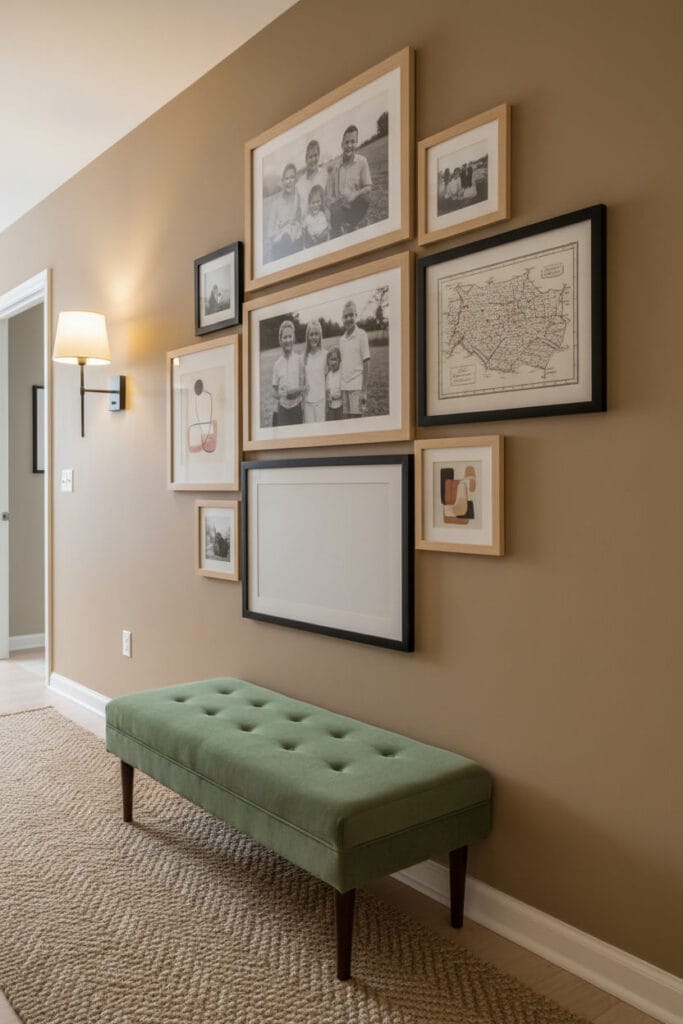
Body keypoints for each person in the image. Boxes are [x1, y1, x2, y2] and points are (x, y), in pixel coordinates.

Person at [327, 124, 372, 237]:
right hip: (340, 207)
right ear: (342, 144)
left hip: (354, 206)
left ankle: (352, 224)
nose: (349, 145)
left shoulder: (362, 161)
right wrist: (335, 204)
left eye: (353, 142)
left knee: (366, 199)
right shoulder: (335, 167)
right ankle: (340, 228)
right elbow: (329, 195)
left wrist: (354, 195)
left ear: (356, 143)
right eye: (346, 142)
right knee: (335, 215)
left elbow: (368, 187)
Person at [339, 300, 370, 418]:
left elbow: (366, 362)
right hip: (344, 388)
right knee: (347, 424)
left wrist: (364, 391)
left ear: (356, 315)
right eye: (345, 316)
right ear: (342, 319)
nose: (348, 319)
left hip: (357, 388)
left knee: (357, 424)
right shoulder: (341, 340)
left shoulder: (362, 335)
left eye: (351, 315)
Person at [265, 163, 302, 262]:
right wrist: (284, 227)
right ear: (282, 182)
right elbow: (270, 234)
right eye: (286, 179)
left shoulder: (298, 198)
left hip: (296, 241)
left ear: (296, 179)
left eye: (292, 178)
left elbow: (300, 220)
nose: (289, 181)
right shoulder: (276, 205)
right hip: (280, 245)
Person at [271, 319, 304, 426]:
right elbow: (275, 393)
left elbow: (304, 386)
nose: (287, 340)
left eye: (290, 336)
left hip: (297, 408)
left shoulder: (299, 359)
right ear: (280, 340)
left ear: (293, 338)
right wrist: (282, 394)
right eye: (284, 337)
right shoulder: (277, 364)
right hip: (283, 410)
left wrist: (296, 392)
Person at [302, 319, 327, 423]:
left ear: (320, 336)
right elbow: (302, 381)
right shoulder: (303, 357)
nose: (314, 337)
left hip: (321, 401)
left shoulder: (325, 355)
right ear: (307, 337)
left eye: (317, 334)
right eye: (311, 334)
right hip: (308, 403)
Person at [296, 139, 327, 214]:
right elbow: (298, 209)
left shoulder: (325, 175)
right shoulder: (299, 184)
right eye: (310, 157)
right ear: (306, 159)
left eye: (315, 155)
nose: (313, 159)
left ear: (319, 156)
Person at [325, 346, 343, 421]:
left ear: (339, 360)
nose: (333, 362)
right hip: (330, 407)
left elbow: (343, 390)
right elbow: (327, 388)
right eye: (331, 360)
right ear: (328, 361)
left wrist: (335, 397)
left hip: (340, 406)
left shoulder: (341, 374)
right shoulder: (328, 375)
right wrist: (328, 395)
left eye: (335, 359)